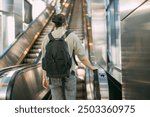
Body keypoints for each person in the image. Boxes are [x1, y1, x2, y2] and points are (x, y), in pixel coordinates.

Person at [41, 14, 96, 100]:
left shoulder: (46, 38)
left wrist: (44, 78)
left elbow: (44, 60)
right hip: (69, 74)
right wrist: (92, 68)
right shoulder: (72, 36)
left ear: (55, 24)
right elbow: (83, 58)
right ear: (65, 23)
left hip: (53, 76)